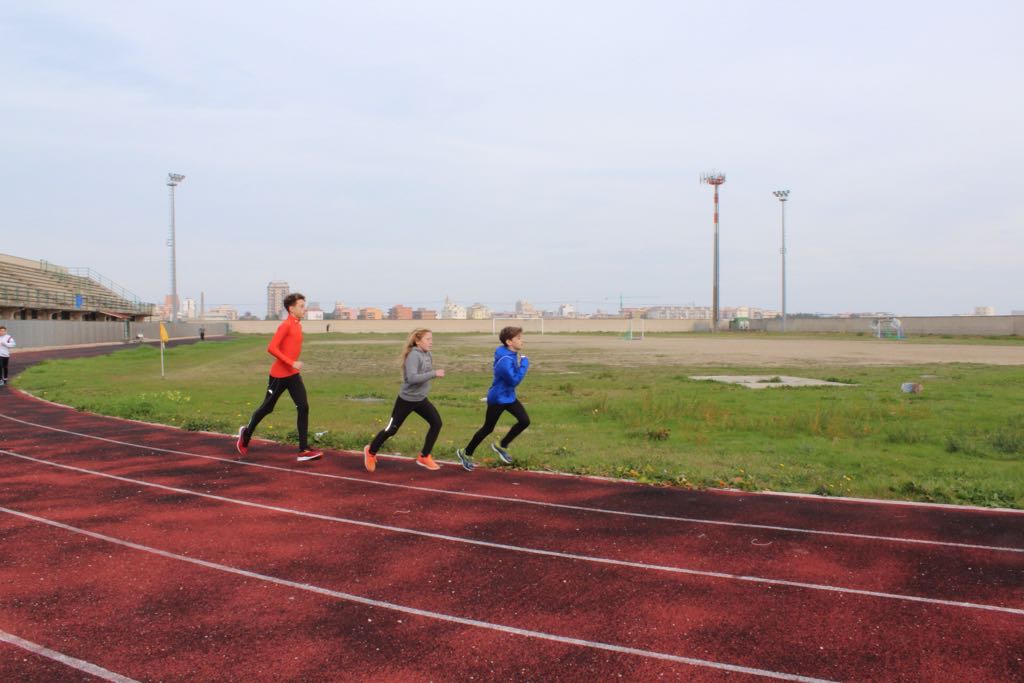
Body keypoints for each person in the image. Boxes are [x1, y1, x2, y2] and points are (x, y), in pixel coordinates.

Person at [235, 293, 323, 462]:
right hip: (279, 376)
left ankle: (303, 450)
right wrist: (291, 362)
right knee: (267, 408)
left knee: (303, 407)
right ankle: (246, 434)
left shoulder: (297, 325)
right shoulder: (286, 326)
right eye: (301, 306)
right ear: (291, 309)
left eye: (304, 306)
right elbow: (272, 348)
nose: (304, 309)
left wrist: (293, 365)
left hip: (293, 375)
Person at [363, 329, 446, 472]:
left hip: (420, 399)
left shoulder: (428, 354)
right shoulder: (413, 356)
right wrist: (434, 374)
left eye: (432, 339)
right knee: (391, 429)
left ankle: (424, 456)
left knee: (436, 423)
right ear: (418, 341)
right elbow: (412, 378)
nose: (431, 342)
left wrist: (429, 377)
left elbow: (422, 375)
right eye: (428, 339)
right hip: (406, 400)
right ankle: (370, 451)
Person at [457, 326, 530, 471]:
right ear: (509, 342)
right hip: (497, 398)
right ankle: (466, 452)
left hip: (508, 397)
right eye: (519, 338)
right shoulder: (505, 361)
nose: (522, 341)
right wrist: (524, 365)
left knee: (524, 421)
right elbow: (514, 381)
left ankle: (501, 445)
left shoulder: (510, 353)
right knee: (488, 428)